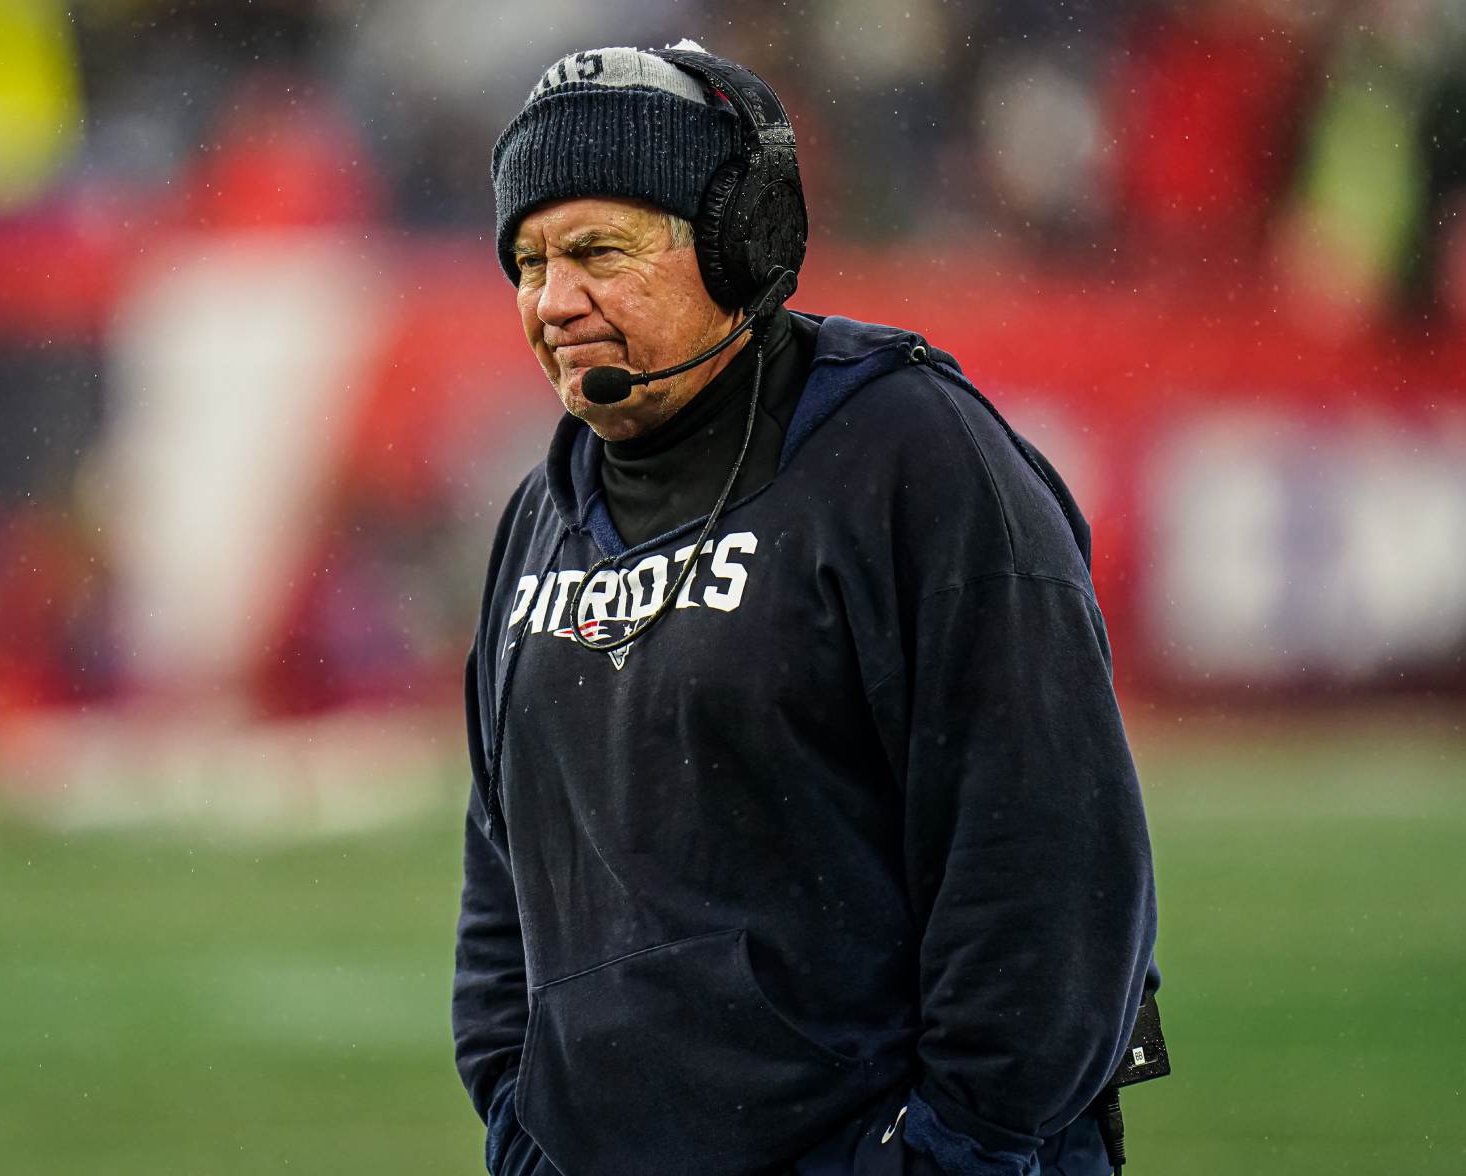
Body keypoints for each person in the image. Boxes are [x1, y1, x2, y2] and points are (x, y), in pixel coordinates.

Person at [453, 42, 1162, 1176]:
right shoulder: (541, 511)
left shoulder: (912, 457)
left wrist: (944, 1154)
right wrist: (523, 1125)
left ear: (740, 245)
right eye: (527, 263)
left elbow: (1048, 868)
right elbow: (502, 890)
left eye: (597, 251)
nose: (552, 301)